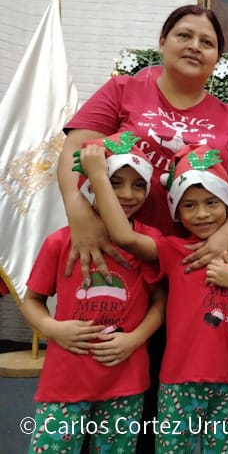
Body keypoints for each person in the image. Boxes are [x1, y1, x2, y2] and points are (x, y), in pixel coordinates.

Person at [57, 4, 228, 453]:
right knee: (106, 373)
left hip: (188, 266)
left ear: (217, 57)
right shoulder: (124, 89)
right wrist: (81, 217)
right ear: (163, 41)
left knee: (166, 380)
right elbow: (76, 150)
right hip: (120, 258)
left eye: (207, 42)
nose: (195, 46)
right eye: (184, 35)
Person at [81, 143, 228, 453]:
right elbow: (123, 236)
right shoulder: (173, 251)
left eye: (211, 202)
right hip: (177, 382)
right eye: (189, 205)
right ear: (177, 211)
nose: (202, 214)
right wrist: (98, 176)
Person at [21, 132, 165, 453]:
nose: (127, 194)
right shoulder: (60, 242)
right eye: (114, 182)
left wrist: (135, 338)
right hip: (65, 381)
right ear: (91, 182)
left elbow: (160, 301)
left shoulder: (149, 242)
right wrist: (52, 328)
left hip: (125, 383)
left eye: (138, 184)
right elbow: (33, 301)